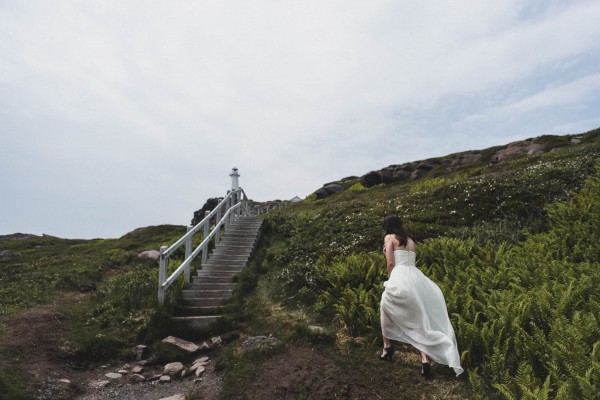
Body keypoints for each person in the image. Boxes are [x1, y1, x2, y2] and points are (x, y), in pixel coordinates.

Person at [379, 214, 463, 378]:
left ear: (388, 226)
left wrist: (391, 280)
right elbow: (409, 262)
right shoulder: (410, 241)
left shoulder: (389, 237)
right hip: (416, 279)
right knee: (418, 320)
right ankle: (424, 360)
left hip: (400, 278)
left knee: (385, 306)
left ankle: (387, 347)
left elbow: (391, 263)